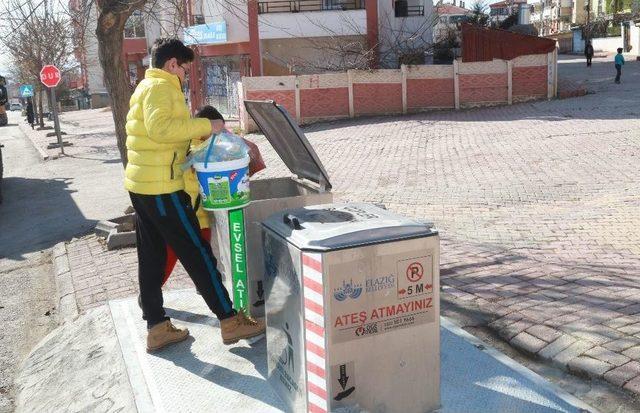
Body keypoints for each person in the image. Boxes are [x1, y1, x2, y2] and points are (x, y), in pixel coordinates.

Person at [125, 38, 265, 352]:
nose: (186, 76)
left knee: (151, 257)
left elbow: (155, 134)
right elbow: (162, 129)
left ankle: (156, 326)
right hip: (162, 187)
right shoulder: (162, 88)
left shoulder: (145, 88)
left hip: (142, 185)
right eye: (185, 69)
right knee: (197, 253)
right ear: (172, 64)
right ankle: (230, 320)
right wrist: (208, 125)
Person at [160, 105, 266, 287]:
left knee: (202, 260)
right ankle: (152, 291)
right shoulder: (195, 149)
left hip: (201, 217)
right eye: (217, 130)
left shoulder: (213, 145)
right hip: (187, 216)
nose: (221, 135)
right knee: (172, 257)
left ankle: (204, 286)